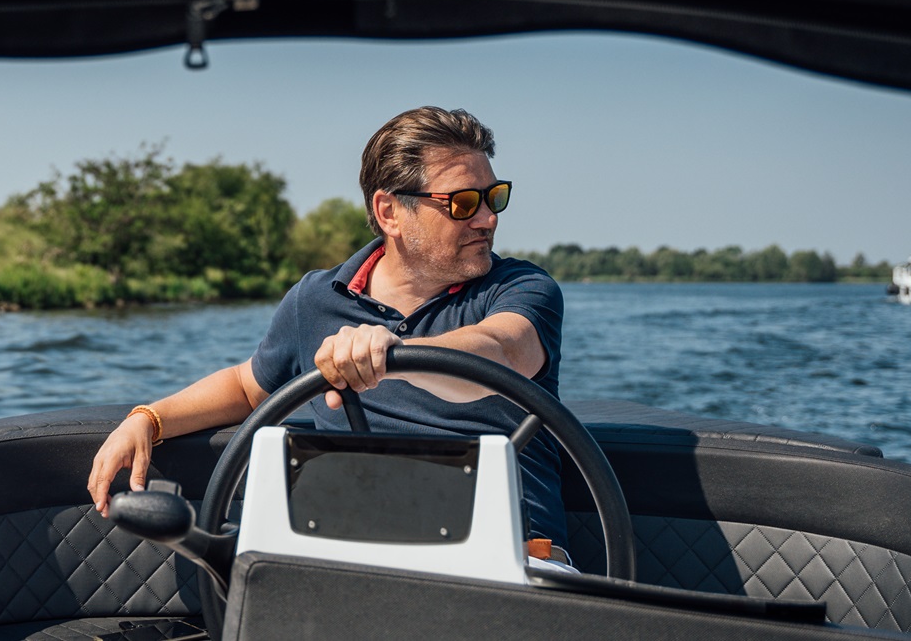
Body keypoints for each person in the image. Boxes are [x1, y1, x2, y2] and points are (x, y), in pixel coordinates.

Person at [85, 106, 572, 565]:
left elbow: (503, 354)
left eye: (495, 197)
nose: (488, 218)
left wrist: (396, 352)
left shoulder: (522, 288)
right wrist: (148, 420)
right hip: (356, 552)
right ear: (389, 213)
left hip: (515, 555)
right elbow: (246, 387)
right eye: (464, 204)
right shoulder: (314, 300)